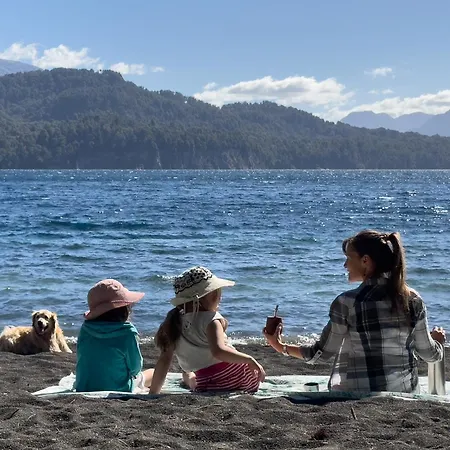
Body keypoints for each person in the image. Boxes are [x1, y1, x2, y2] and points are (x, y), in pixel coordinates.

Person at [264, 230, 445, 393]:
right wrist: (438, 342)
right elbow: (430, 355)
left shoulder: (347, 303)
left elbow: (321, 354)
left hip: (357, 393)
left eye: (348, 258)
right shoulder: (413, 300)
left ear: (365, 261)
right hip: (404, 394)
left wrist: (280, 346)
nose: (345, 265)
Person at [150, 266, 265, 394]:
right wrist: (249, 359)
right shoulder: (211, 320)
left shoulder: (174, 322)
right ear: (211, 295)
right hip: (240, 378)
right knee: (194, 376)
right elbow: (219, 351)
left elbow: (164, 360)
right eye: (217, 292)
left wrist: (153, 393)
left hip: (206, 382)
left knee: (192, 378)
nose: (220, 297)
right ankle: (188, 376)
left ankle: (188, 376)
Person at [75, 279, 154, 392]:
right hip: (118, 387)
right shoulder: (127, 332)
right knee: (153, 373)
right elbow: (135, 369)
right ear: (124, 308)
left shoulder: (85, 329)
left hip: (85, 386)